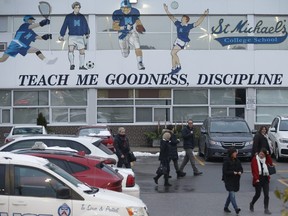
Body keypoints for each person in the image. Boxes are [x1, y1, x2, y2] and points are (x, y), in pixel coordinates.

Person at [163, 4, 209, 74]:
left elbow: (197, 22)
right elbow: (172, 17)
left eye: (183, 18)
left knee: (173, 53)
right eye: (182, 18)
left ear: (186, 20)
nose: (181, 18)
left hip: (182, 41)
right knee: (173, 54)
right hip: (177, 40)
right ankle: (173, 69)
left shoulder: (188, 26)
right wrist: (166, 10)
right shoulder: (178, 23)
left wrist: (204, 15)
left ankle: (179, 66)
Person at [112, 0, 146, 70]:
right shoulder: (118, 14)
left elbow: (138, 21)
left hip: (131, 32)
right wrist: (123, 27)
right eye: (124, 8)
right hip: (122, 33)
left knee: (137, 46)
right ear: (121, 8)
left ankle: (140, 63)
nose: (126, 10)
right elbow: (115, 27)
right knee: (125, 54)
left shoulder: (134, 12)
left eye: (127, 8)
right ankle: (127, 49)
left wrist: (140, 26)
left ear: (130, 8)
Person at [59, 1, 90, 70]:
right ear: (73, 8)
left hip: (80, 36)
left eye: (78, 8)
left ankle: (81, 66)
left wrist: (87, 33)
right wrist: (62, 35)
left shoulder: (82, 17)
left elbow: (85, 25)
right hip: (72, 36)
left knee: (82, 51)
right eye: (76, 7)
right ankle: (72, 64)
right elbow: (64, 25)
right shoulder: (68, 16)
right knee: (70, 50)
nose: (77, 9)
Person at [250, 148, 273, 215]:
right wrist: (256, 178)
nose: (261, 155)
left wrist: (268, 156)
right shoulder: (255, 159)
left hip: (265, 179)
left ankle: (266, 209)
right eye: (260, 154)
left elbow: (271, 163)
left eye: (263, 154)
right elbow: (254, 170)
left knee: (266, 195)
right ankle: (252, 203)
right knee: (258, 194)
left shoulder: (265, 159)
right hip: (258, 179)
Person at [222, 147, 242, 215]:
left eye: (236, 152)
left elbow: (241, 169)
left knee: (230, 195)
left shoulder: (237, 161)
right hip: (228, 180)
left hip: (235, 180)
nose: (236, 153)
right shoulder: (226, 161)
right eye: (234, 152)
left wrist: (240, 172)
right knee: (232, 194)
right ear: (231, 154)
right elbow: (225, 171)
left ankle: (225, 207)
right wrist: (233, 172)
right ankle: (236, 208)